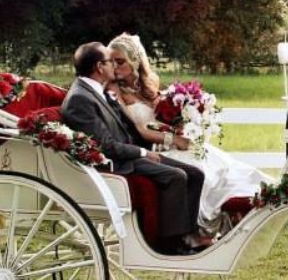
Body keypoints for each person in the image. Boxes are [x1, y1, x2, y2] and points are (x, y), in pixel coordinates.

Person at [61, 42, 209, 255]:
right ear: (99, 67)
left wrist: (167, 134)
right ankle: (167, 244)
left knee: (195, 173)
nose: (114, 65)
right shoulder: (80, 99)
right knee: (176, 176)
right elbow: (107, 147)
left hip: (128, 153)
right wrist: (143, 152)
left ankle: (187, 234)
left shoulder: (95, 91)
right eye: (110, 61)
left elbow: (130, 127)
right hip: (115, 163)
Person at [107, 32, 265, 227]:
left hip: (166, 140)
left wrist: (180, 123)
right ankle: (197, 230)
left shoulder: (148, 84)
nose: (114, 67)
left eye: (120, 61)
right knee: (200, 170)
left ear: (135, 61)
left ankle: (243, 206)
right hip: (150, 146)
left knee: (217, 161)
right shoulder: (114, 90)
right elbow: (139, 129)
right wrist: (172, 140)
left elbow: (157, 119)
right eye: (110, 61)